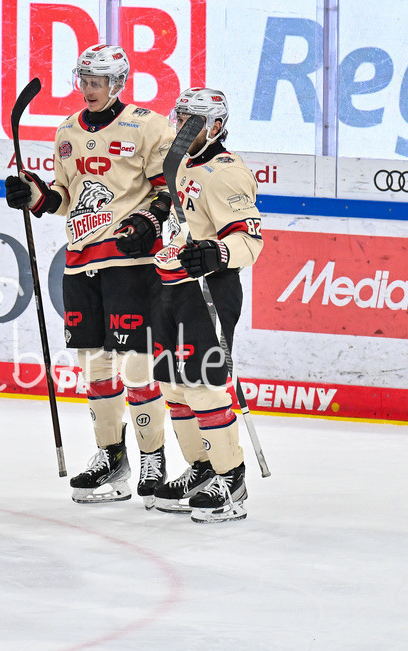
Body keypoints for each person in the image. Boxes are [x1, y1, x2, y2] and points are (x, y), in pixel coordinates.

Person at [4, 44, 174, 506]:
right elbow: (63, 196)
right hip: (81, 261)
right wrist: (33, 194)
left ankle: (152, 457)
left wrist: (151, 221)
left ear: (118, 83)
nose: (89, 89)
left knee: (138, 365)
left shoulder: (148, 125)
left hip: (132, 263)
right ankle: (111, 455)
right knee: (94, 366)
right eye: (84, 81)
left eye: (98, 82)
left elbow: (169, 189)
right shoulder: (67, 131)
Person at [143, 88, 263, 523]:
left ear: (215, 126)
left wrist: (217, 253)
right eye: (181, 118)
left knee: (204, 384)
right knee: (173, 386)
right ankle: (201, 469)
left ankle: (231, 480)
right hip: (169, 286)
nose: (182, 127)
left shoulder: (225, 172)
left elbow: (249, 238)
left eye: (192, 121)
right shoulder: (178, 164)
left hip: (208, 289)